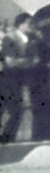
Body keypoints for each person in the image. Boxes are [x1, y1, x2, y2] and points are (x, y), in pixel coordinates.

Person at [0, 13, 42, 143]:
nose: (32, 26)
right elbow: (10, 62)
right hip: (7, 78)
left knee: (17, 110)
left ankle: (7, 139)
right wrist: (28, 61)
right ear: (20, 24)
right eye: (29, 23)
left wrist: (24, 61)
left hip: (21, 80)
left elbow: (37, 60)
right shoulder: (10, 38)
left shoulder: (32, 39)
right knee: (6, 109)